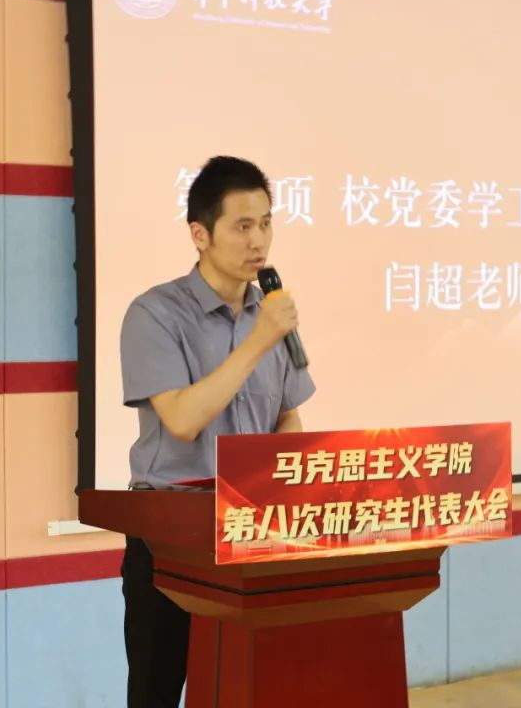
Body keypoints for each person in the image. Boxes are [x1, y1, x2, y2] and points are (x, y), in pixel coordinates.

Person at [118, 155, 316, 706]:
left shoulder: (269, 313)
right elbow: (182, 419)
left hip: (254, 531)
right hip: (172, 535)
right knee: (157, 691)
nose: (259, 241)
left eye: (266, 223)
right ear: (200, 234)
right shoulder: (155, 315)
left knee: (250, 685)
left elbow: (286, 415)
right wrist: (260, 339)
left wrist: (298, 495)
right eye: (242, 226)